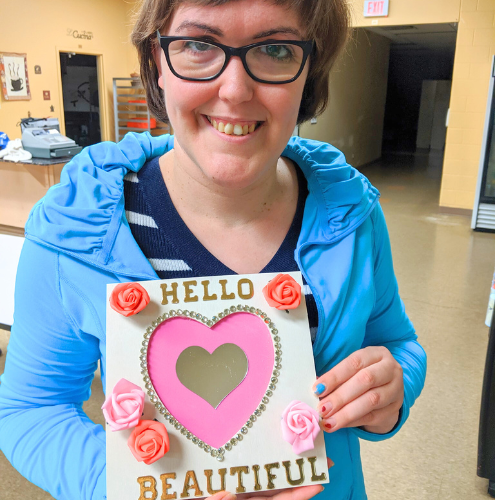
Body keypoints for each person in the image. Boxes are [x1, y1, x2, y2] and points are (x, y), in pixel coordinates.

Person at [0, 0, 426, 499]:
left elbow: (396, 342)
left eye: (274, 49)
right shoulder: (76, 229)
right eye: (199, 44)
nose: (235, 90)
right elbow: (31, 410)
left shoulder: (350, 215)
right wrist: (130, 486)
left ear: (308, 73)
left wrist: (392, 388)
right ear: (157, 61)